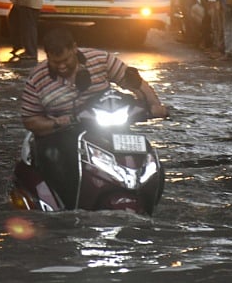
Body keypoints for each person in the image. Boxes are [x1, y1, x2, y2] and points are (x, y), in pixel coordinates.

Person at [20, 28, 167, 209]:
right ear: (47, 55)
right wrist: (58, 122)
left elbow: (135, 83)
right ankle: (69, 208)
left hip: (106, 126)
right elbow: (29, 119)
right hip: (63, 133)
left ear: (75, 48)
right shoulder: (37, 78)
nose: (61, 66)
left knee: (146, 156)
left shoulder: (100, 59)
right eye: (55, 62)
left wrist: (154, 105)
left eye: (66, 60)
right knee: (59, 161)